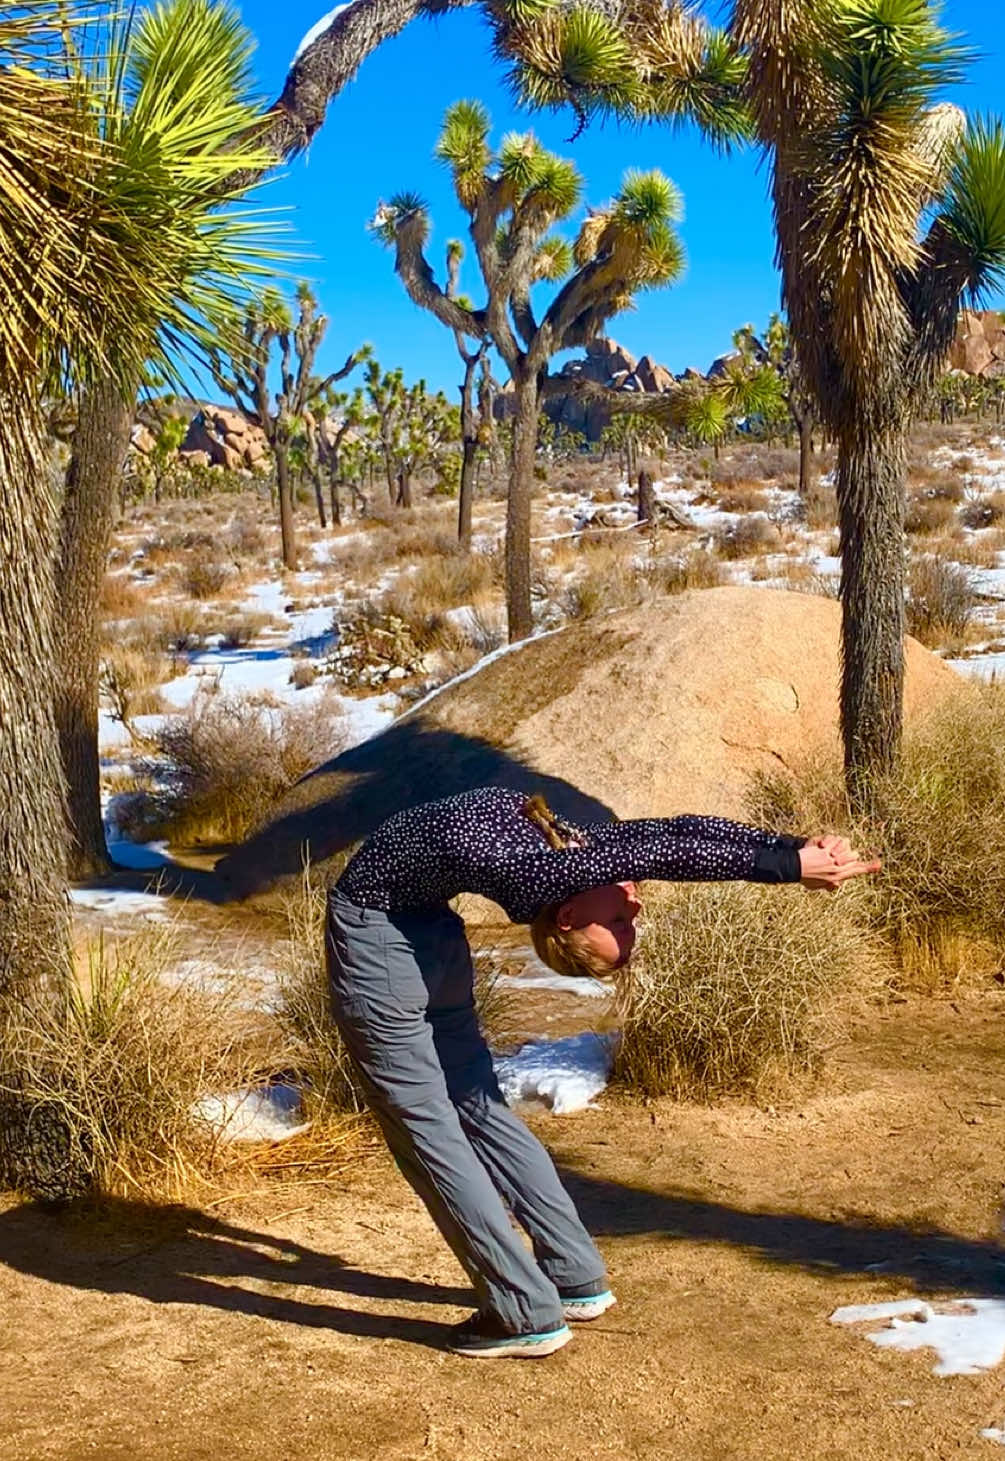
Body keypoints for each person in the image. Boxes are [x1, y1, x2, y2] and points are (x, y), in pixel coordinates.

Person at [325, 785, 880, 1360]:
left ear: (569, 915)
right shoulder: (558, 859)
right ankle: (572, 1274)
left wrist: (789, 859)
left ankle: (520, 1312)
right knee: (474, 1105)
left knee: (427, 1126)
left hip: (386, 934)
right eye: (622, 919)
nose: (634, 908)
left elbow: (664, 849)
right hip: (423, 934)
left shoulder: (542, 874)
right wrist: (789, 853)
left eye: (617, 920)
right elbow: (668, 837)